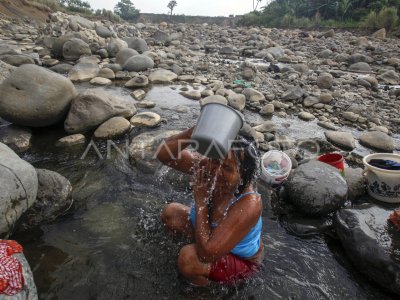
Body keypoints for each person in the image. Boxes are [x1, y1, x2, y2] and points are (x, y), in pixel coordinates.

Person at [157, 127, 264, 286]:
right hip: (210, 241)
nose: (216, 171)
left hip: (241, 262)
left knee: (188, 258)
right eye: (215, 160)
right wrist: (190, 135)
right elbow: (163, 155)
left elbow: (207, 255)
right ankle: (195, 268)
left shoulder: (249, 203)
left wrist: (201, 202)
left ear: (242, 174)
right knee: (172, 214)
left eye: (227, 168)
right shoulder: (206, 166)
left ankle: (204, 291)